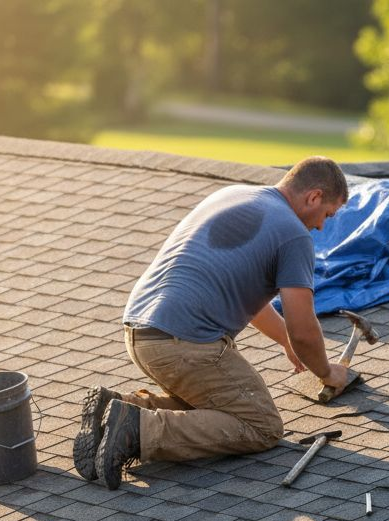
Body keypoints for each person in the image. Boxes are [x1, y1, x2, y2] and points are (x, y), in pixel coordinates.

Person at [73, 156, 351, 490]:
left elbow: (248, 299)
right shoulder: (293, 235)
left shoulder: (232, 195)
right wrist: (326, 372)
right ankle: (138, 429)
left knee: (215, 404)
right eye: (327, 215)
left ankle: (119, 408)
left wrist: (284, 340)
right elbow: (304, 330)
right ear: (314, 196)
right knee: (261, 424)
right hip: (184, 345)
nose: (321, 226)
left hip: (140, 332)